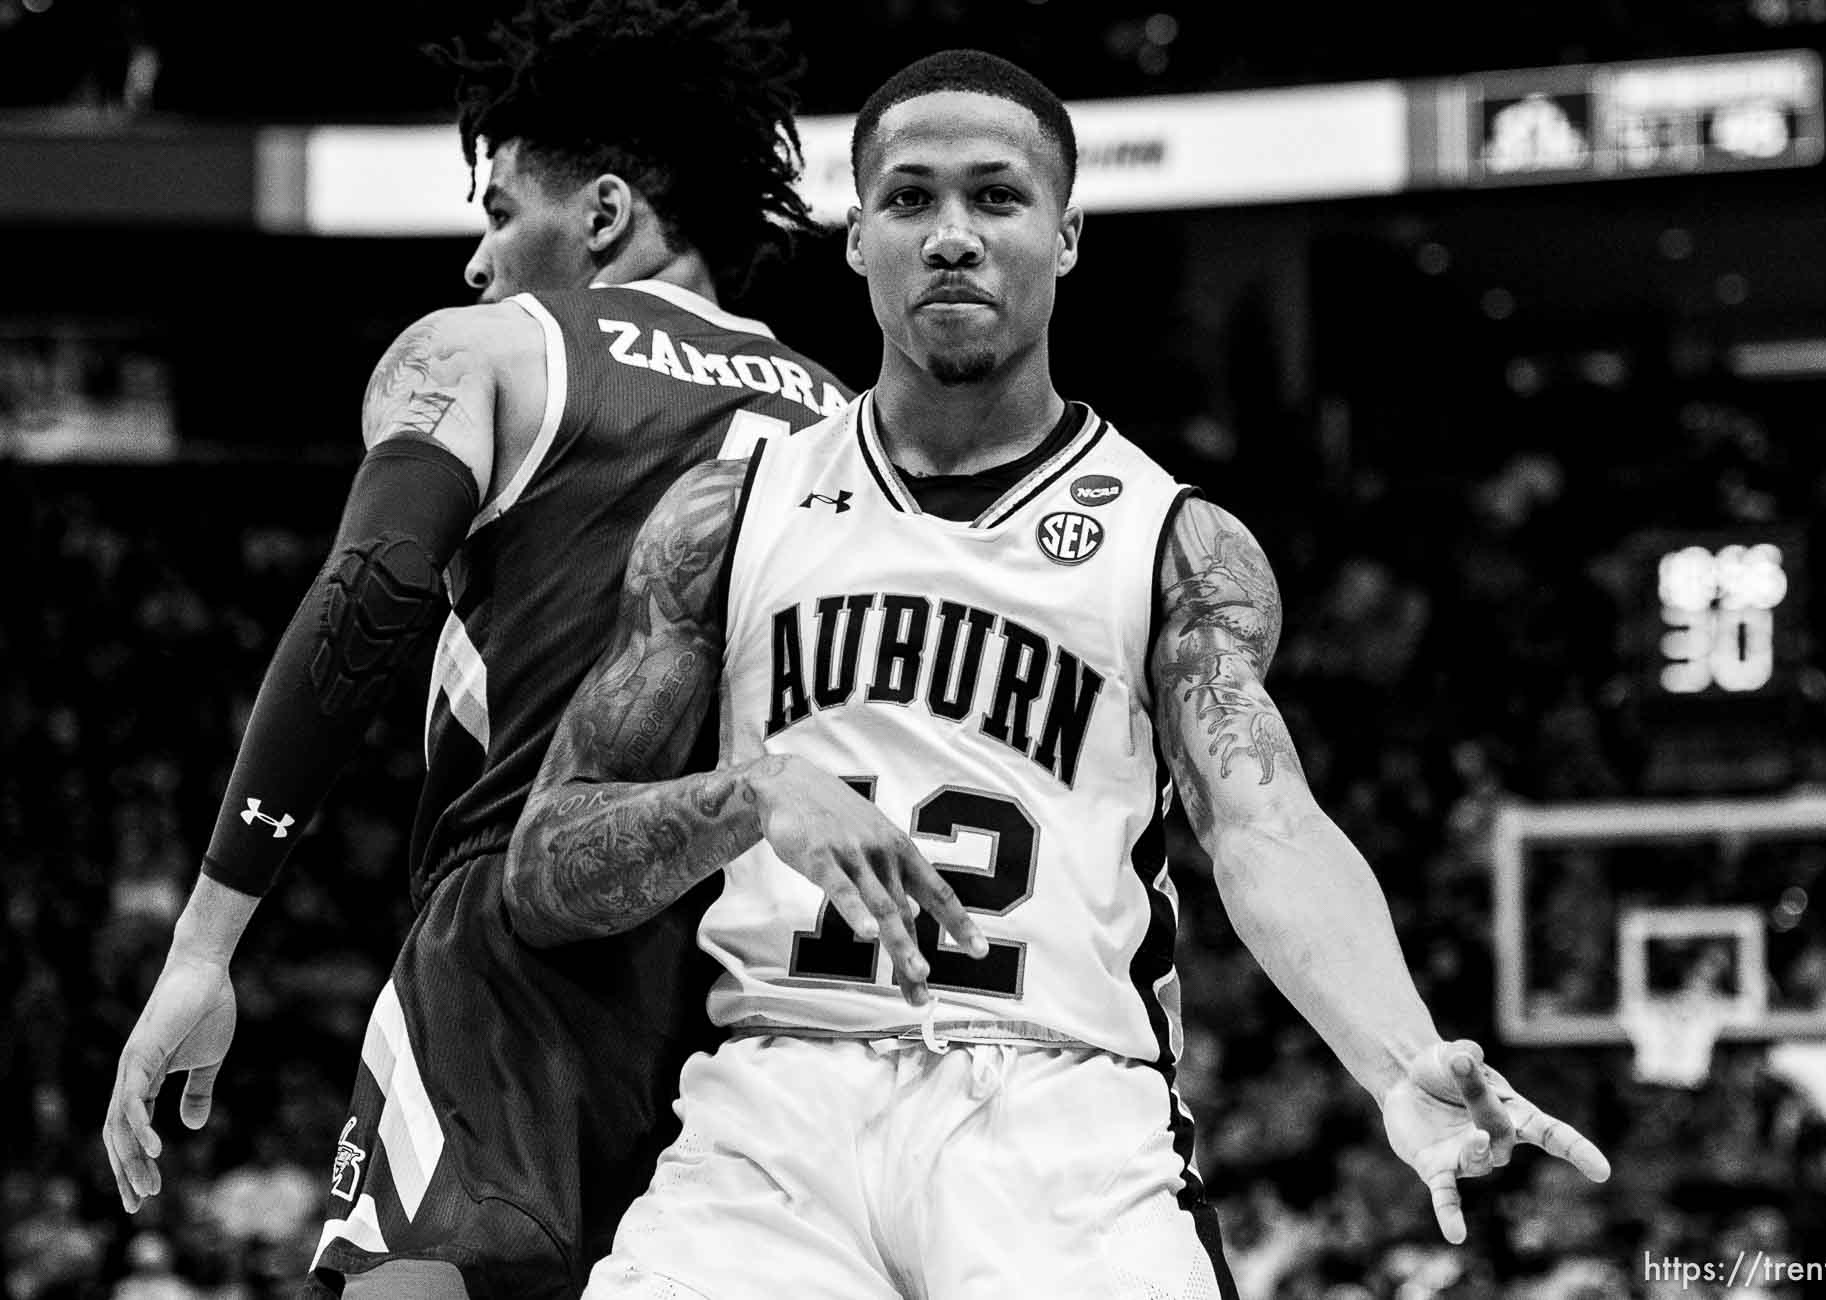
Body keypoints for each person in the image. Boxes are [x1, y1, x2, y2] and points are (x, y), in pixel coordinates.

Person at [505, 49, 1613, 1298]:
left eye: (996, 197)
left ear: (1068, 234)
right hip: (773, 1104)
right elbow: (547, 868)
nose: (952, 237)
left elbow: (1264, 823)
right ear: (857, 236)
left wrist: (1396, 1053)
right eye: (910, 200)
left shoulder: (1176, 544)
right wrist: (746, 797)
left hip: (1060, 1116)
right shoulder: (723, 516)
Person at [97, 3, 907, 1295]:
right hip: (774, 966)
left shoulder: (488, 348)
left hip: (527, 927)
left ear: (598, 216)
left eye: (493, 211)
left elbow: (371, 596)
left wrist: (205, 945)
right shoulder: (862, 427)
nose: (477, 260)